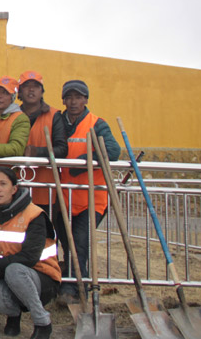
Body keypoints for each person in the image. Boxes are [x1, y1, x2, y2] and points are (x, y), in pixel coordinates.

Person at [0, 167, 59, 339]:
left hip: (41, 277)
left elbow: (29, 258)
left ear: (14, 189)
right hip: (4, 276)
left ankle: (42, 323)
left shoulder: (34, 215)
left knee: (15, 269)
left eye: (3, 184)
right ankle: (13, 315)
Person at [55, 79, 121, 304]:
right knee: (68, 243)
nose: (73, 102)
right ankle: (73, 282)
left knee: (80, 242)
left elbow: (112, 151)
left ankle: (71, 290)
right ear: (63, 100)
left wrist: (81, 162)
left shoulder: (97, 123)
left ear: (85, 99)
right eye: (69, 97)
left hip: (92, 199)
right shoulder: (59, 122)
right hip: (64, 198)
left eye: (78, 97)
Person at [17, 71, 66, 214]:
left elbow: (62, 149)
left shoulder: (55, 115)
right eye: (26, 86)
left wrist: (37, 152)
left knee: (45, 232)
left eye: (36, 87)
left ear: (42, 91)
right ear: (20, 91)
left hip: (46, 188)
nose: (31, 90)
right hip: (16, 187)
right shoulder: (12, 114)